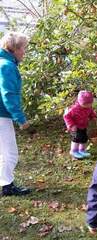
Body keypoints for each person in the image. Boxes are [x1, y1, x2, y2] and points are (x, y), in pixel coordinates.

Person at [0, 32, 31, 196]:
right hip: (1, 115)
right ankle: (7, 186)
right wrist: (20, 118)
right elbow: (8, 94)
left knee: (3, 152)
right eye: (23, 48)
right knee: (10, 153)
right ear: (14, 49)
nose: (24, 52)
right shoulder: (7, 66)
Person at [63, 90, 97, 159]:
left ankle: (82, 150)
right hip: (75, 127)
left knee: (84, 138)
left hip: (83, 125)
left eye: (90, 104)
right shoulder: (74, 109)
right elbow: (66, 116)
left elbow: (91, 112)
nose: (88, 105)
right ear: (80, 102)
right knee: (76, 138)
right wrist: (71, 125)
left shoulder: (88, 108)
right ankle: (74, 151)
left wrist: (93, 116)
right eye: (86, 104)